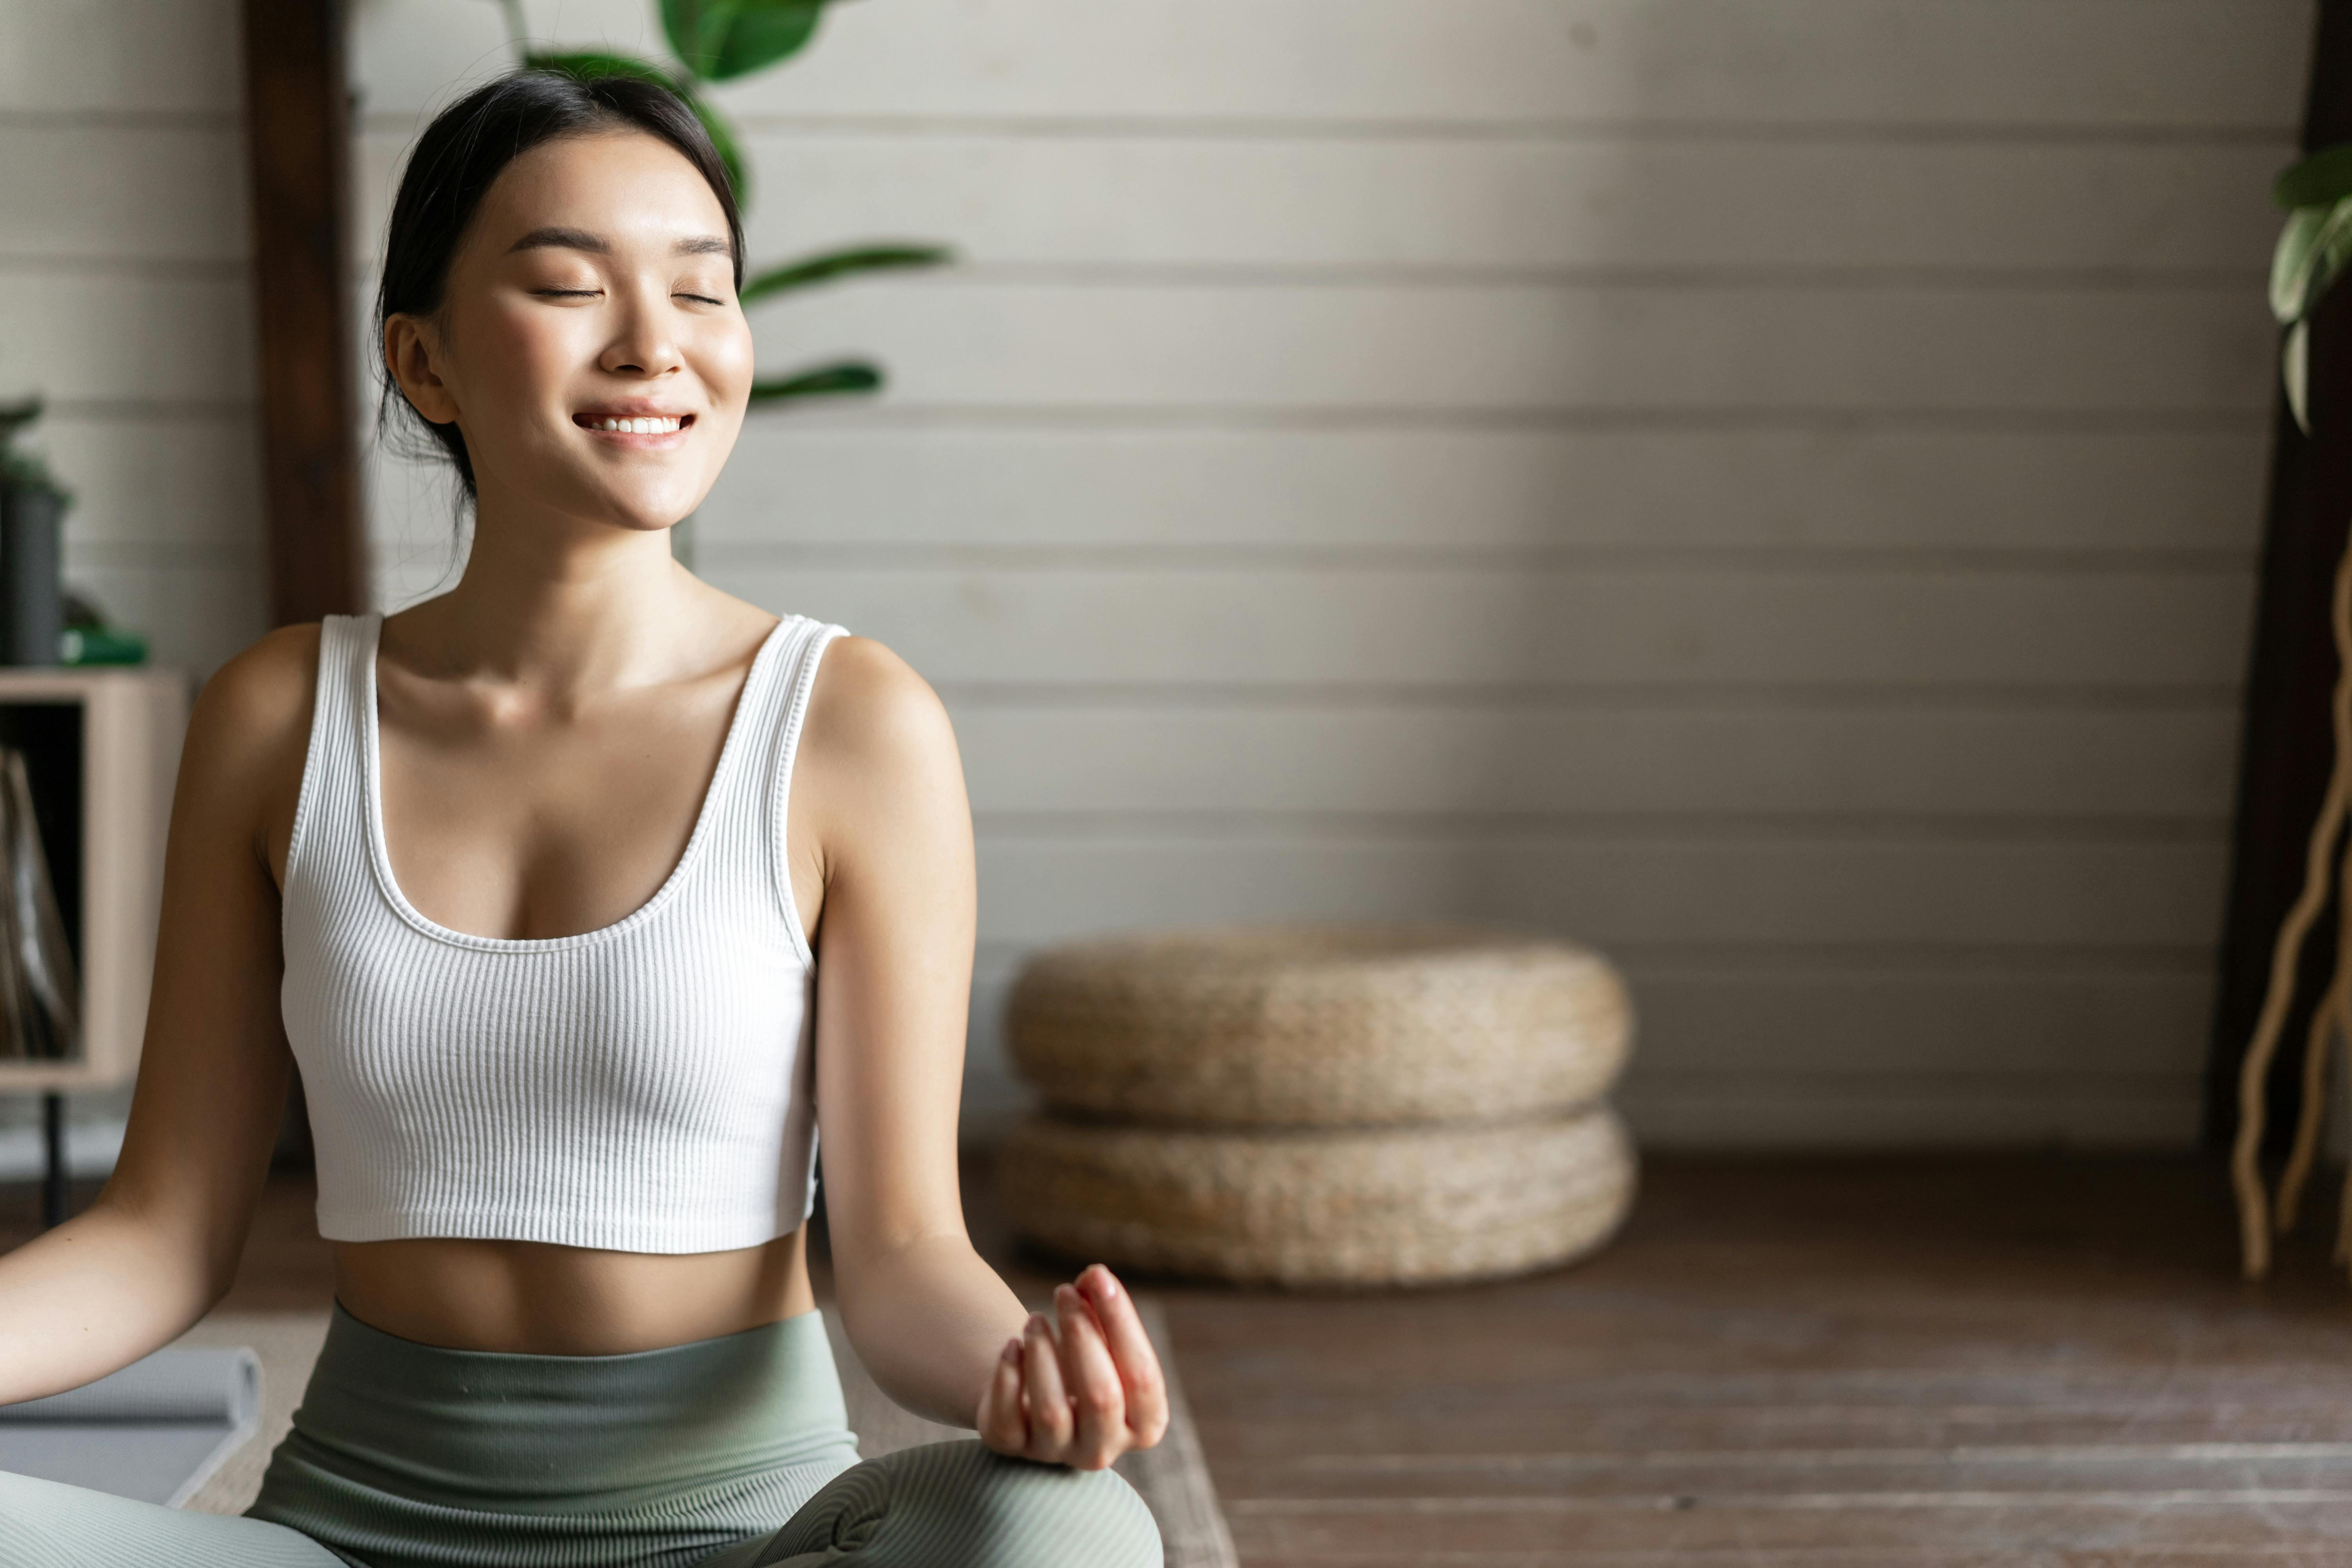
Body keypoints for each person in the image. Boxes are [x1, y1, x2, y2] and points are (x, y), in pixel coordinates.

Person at [0, 69, 1165, 1568]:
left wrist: (1028, 1380)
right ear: (422, 362)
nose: (656, 345)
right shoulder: (278, 716)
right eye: (567, 285)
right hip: (347, 1538)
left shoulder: (854, 726)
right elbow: (160, 1233)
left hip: (741, 1538)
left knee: (1071, 1540)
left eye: (703, 292)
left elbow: (900, 1253)